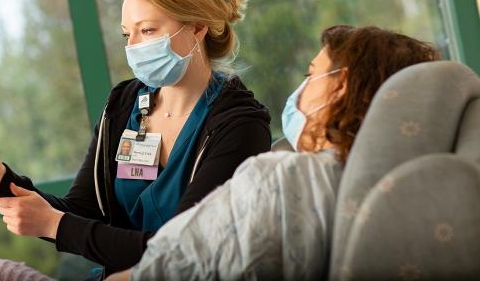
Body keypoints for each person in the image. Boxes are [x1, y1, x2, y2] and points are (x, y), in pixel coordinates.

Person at [0, 0, 271, 278]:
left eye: (147, 30)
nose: (133, 46)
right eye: (127, 34)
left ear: (197, 27)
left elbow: (181, 251)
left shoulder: (240, 126)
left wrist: (56, 225)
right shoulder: (125, 104)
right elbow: (81, 211)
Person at [106, 25, 441, 281]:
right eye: (127, 33)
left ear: (340, 86)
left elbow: (164, 266)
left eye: (311, 74)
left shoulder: (283, 178)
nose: (302, 88)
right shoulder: (418, 195)